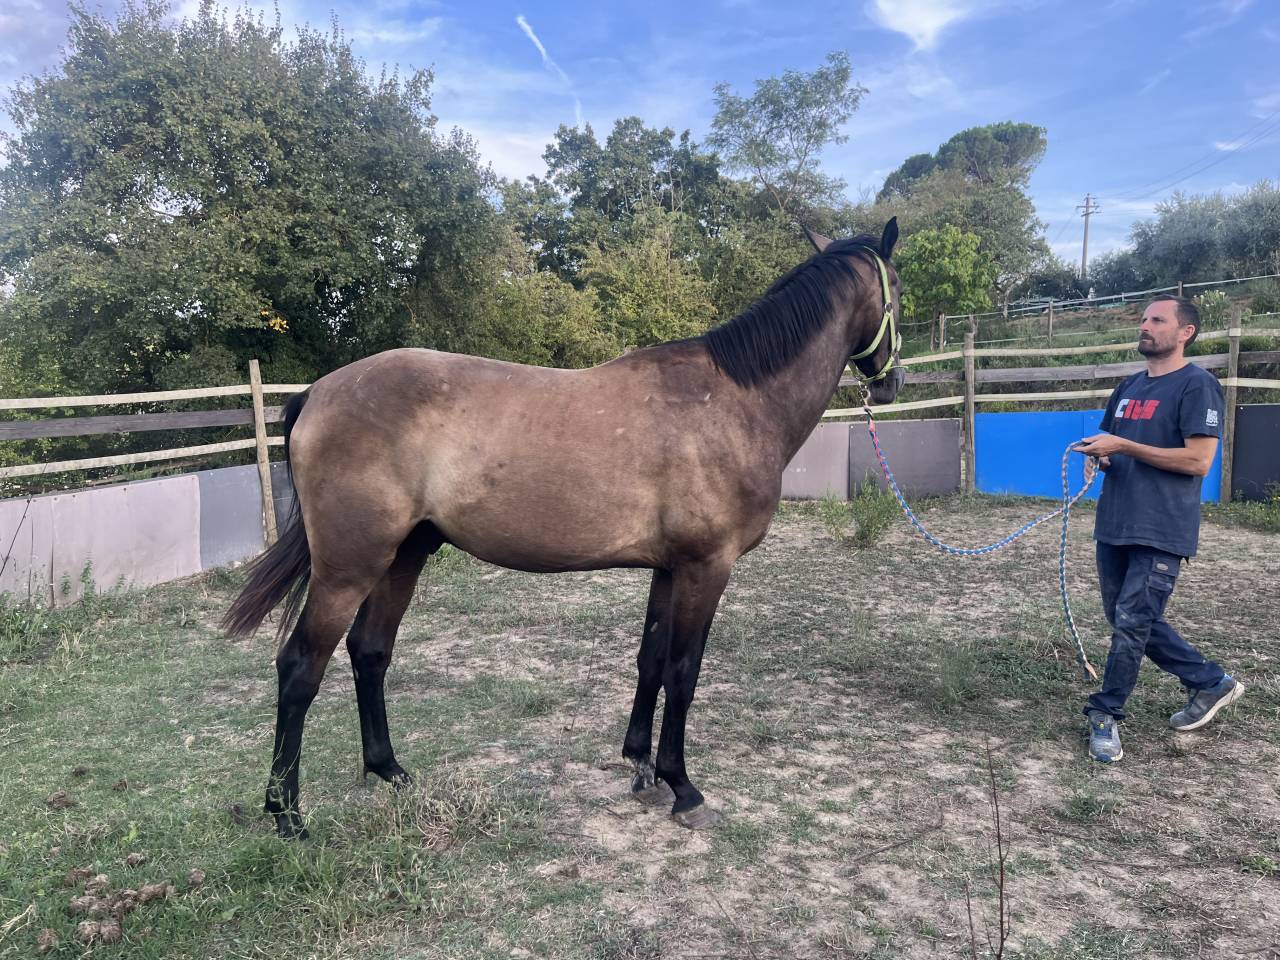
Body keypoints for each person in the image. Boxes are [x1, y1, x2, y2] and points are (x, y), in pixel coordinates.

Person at [1073, 295, 1244, 763]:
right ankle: (1211, 682)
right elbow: (1115, 448)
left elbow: (1199, 460)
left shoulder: (1198, 385)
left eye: (1157, 320)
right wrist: (1101, 458)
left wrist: (1124, 445)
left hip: (1162, 527)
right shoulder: (1128, 386)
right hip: (1115, 522)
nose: (1144, 326)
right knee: (1128, 620)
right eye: (1144, 319)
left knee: (1132, 624)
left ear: (1185, 332)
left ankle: (1105, 714)